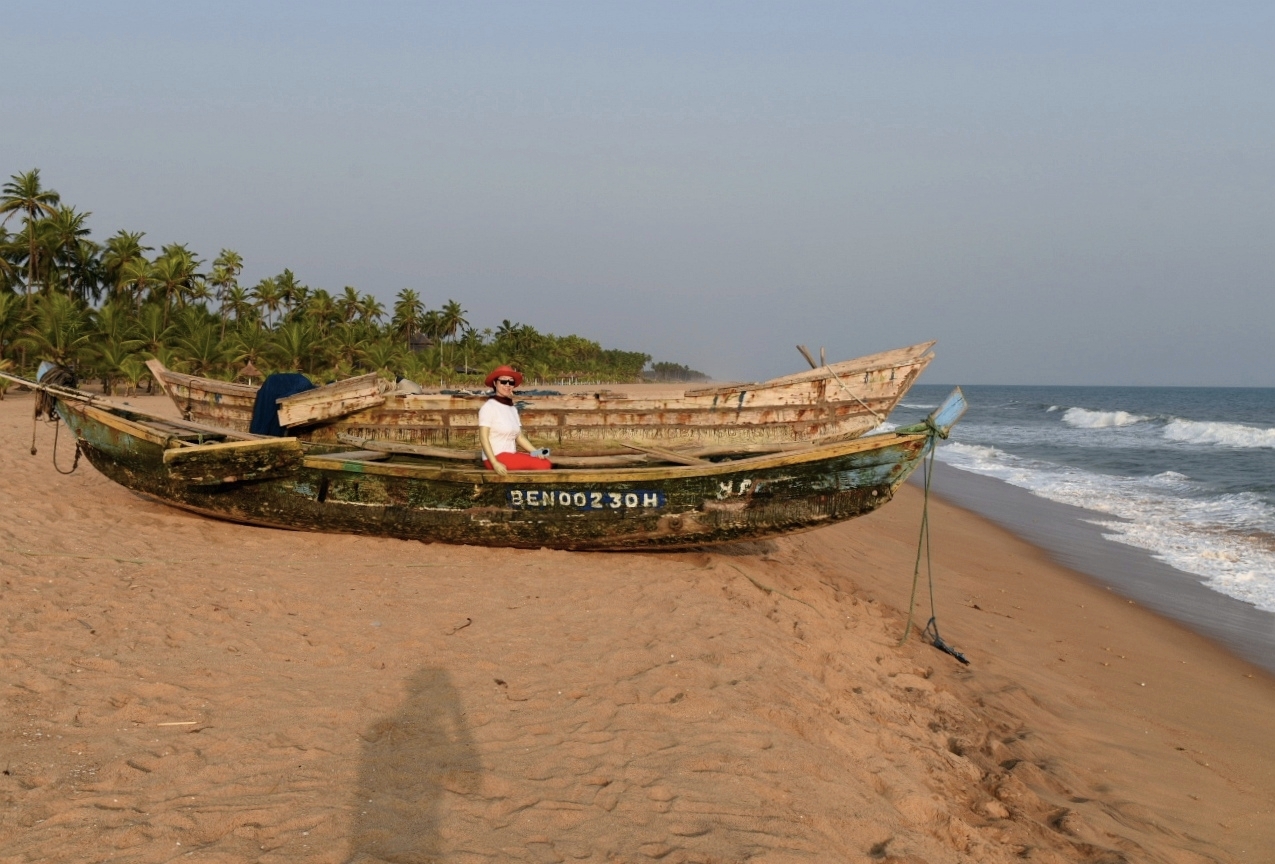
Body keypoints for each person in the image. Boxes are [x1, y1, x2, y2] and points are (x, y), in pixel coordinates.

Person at [478, 365, 552, 475]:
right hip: (495, 457)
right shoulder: (489, 407)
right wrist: (495, 463)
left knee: (545, 456)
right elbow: (483, 437)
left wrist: (535, 451)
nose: (507, 385)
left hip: (510, 454)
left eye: (511, 382)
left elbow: (519, 437)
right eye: (503, 381)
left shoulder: (512, 408)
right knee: (543, 465)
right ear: (495, 383)